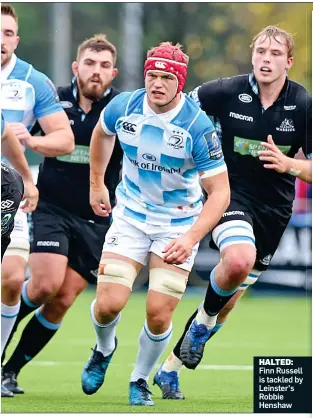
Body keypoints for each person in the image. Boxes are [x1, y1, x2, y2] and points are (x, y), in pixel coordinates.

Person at [153, 25, 312, 400]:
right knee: (238, 260)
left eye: (275, 54)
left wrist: (291, 165)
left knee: (226, 303)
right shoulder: (226, 91)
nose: (266, 60)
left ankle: (169, 370)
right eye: (260, 52)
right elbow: (179, 108)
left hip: (275, 210)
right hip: (228, 196)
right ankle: (199, 329)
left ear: (288, 62)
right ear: (252, 56)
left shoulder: (303, 104)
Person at [80, 41, 230, 407]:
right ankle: (103, 349)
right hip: (131, 217)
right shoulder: (125, 106)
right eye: (152, 75)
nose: (157, 84)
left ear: (180, 82)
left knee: (159, 313)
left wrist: (192, 235)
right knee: (107, 305)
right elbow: (102, 133)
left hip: (177, 226)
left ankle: (139, 380)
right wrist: (97, 182)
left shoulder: (197, 126)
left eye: (166, 77)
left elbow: (220, 193)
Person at [1, 34, 122, 395]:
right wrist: (30, 148)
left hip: (97, 219)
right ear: (76, 67)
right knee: (43, 286)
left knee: (63, 301)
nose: (95, 72)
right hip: (50, 207)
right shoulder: (52, 99)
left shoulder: (121, 110)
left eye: (103, 66)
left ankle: (9, 371)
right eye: (89, 63)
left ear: (113, 73)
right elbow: (14, 135)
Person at [0, 2, 74, 389]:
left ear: (16, 38)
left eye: (9, 33)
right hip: (20, 182)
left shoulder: (33, 81)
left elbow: (65, 138)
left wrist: (36, 140)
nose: (2, 40)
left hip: (9, 192)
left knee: (13, 279)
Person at [1, 117, 38, 398]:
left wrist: (27, 178)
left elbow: (4, 132)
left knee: (11, 279)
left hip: (9, 188)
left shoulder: (8, 185)